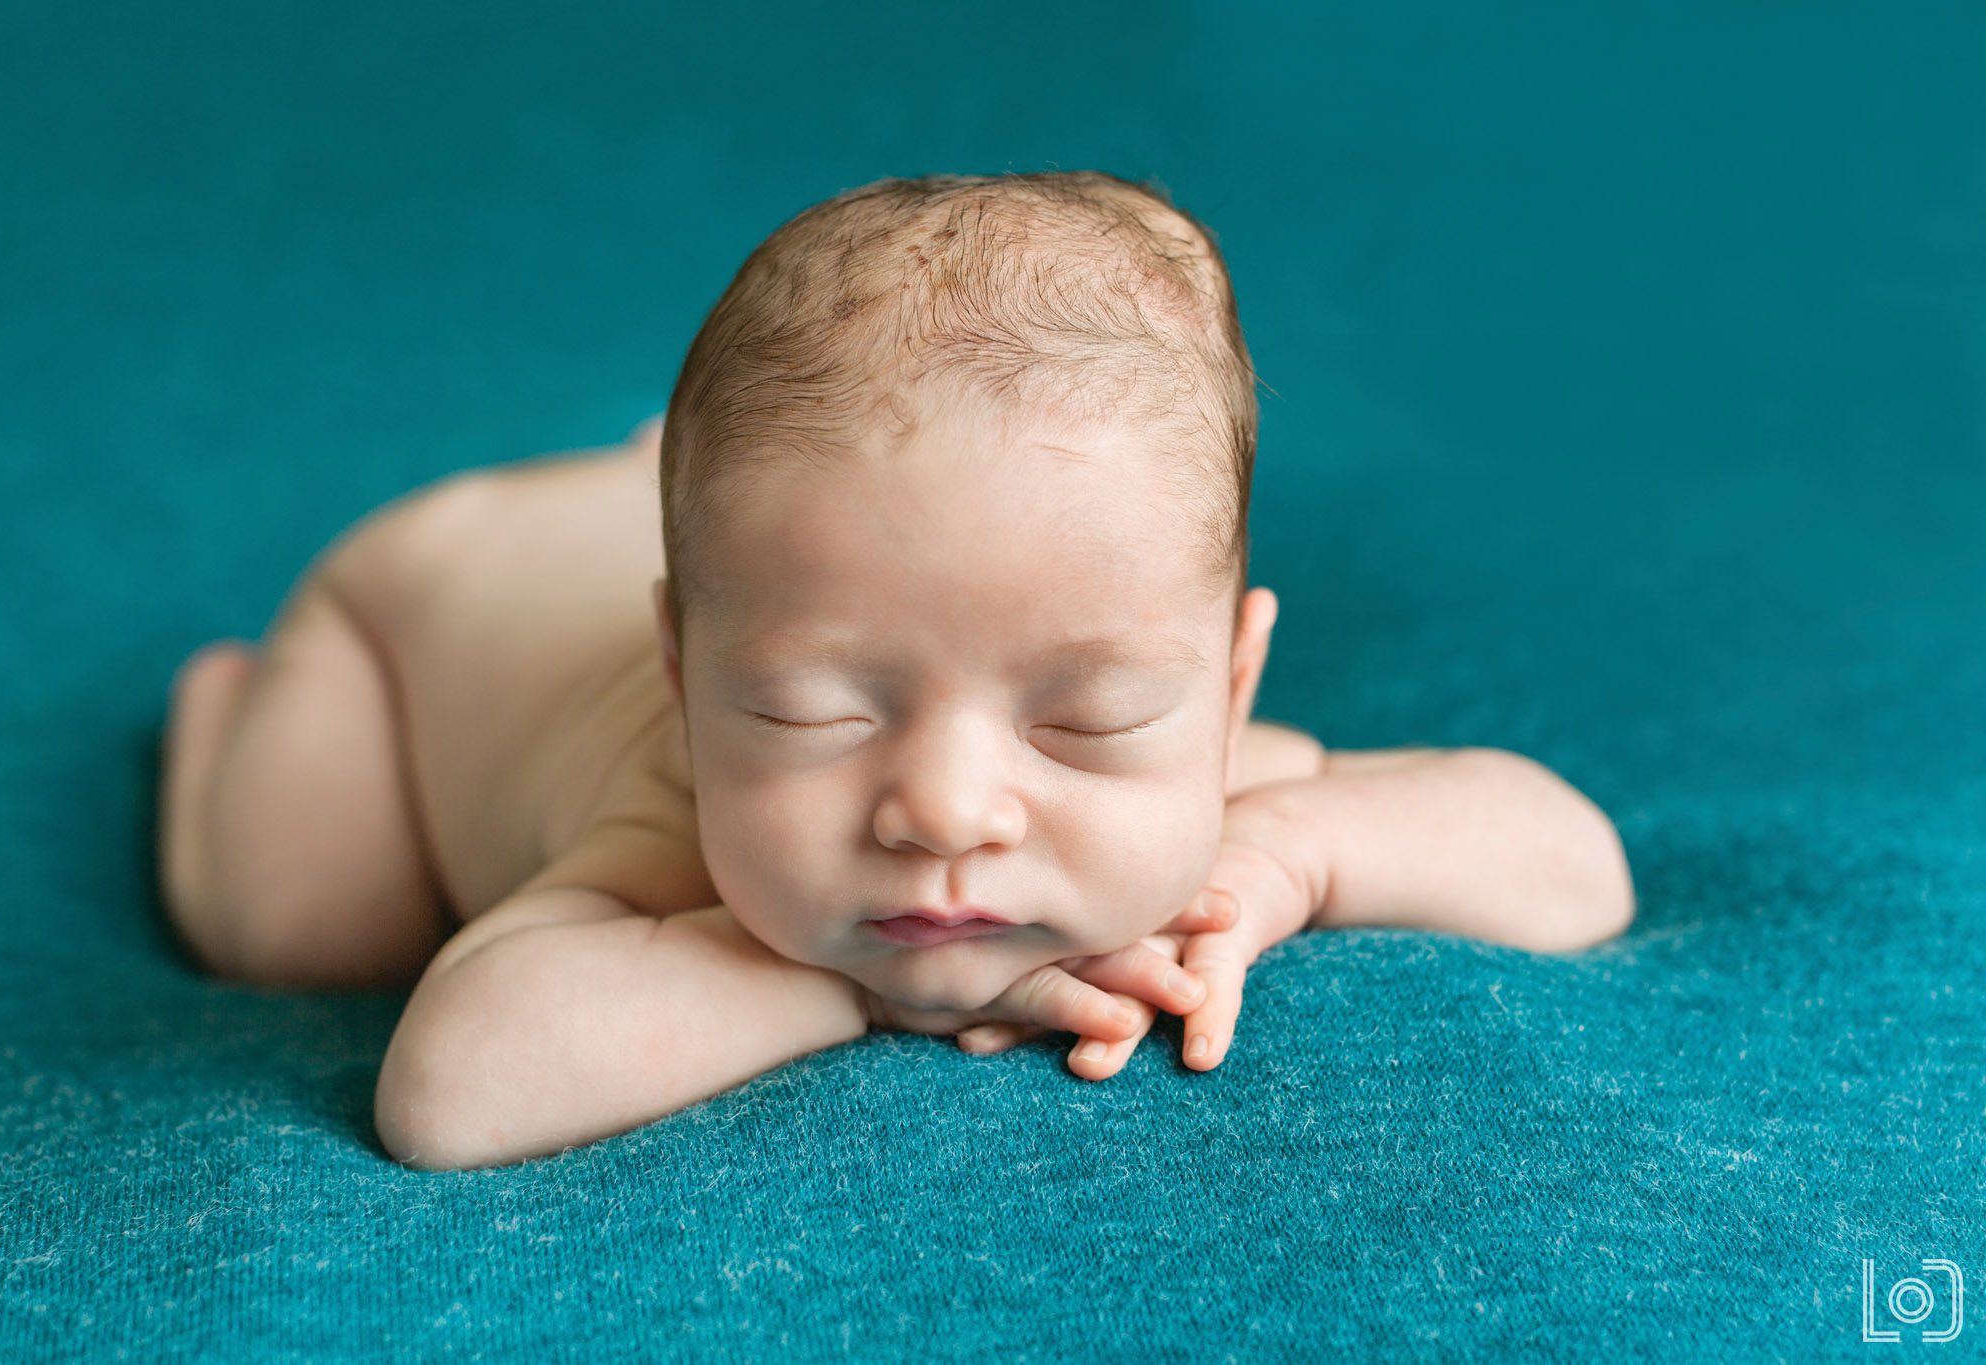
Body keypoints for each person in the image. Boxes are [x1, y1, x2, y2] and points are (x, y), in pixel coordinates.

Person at [155, 171, 1634, 1170]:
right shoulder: (667, 831)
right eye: (812, 710)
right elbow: (448, 1091)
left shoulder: (1200, 785)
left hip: (748, 542)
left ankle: (676, 506)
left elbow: (1574, 865)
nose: (944, 806)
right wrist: (860, 989)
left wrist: (1295, 857)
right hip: (424, 604)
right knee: (305, 928)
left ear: (1232, 686)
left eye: (1087, 716)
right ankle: (229, 709)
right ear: (680, 677)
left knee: (817, 543)